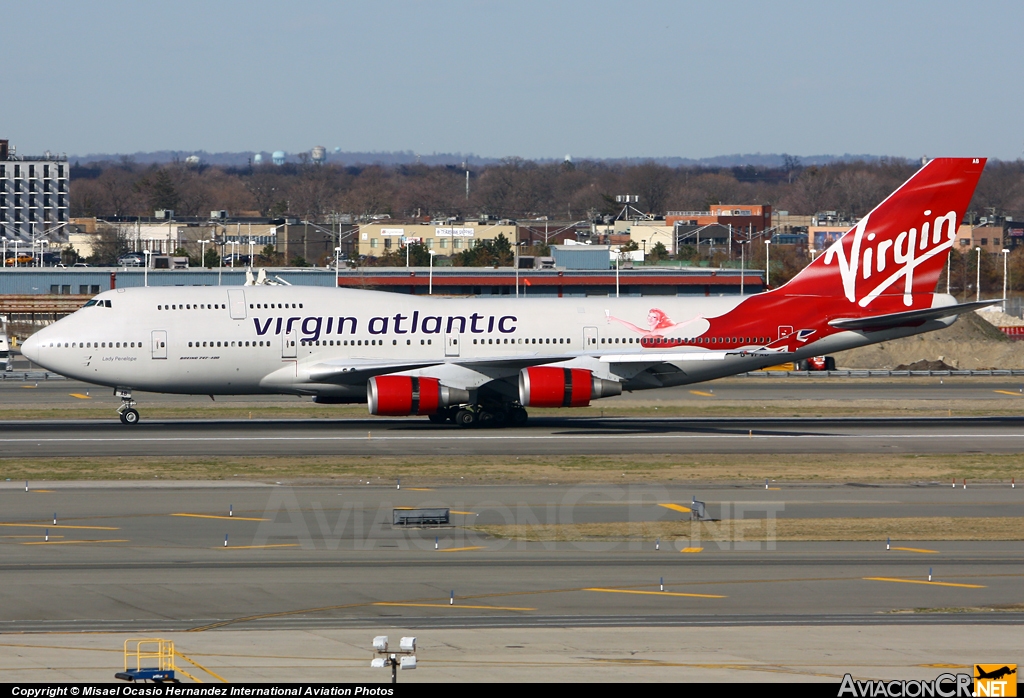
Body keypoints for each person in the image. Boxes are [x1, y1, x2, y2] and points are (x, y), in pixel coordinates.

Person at [605, 308, 710, 338]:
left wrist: (694, 320)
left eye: (654, 317)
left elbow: (677, 326)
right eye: (649, 316)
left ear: (659, 320)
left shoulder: (659, 331)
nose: (650, 319)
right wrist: (616, 319)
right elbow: (634, 328)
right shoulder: (649, 332)